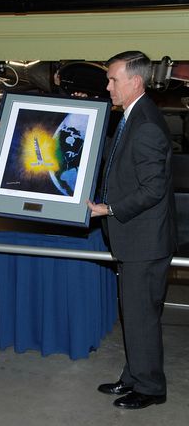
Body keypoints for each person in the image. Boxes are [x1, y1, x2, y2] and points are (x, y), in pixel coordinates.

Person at [87, 51, 177, 410]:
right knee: (136, 315)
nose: (107, 86)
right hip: (136, 239)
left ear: (135, 82)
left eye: (112, 80)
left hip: (144, 242)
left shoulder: (146, 126)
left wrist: (110, 208)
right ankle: (134, 376)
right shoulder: (133, 117)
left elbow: (153, 189)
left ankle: (151, 388)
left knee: (140, 317)